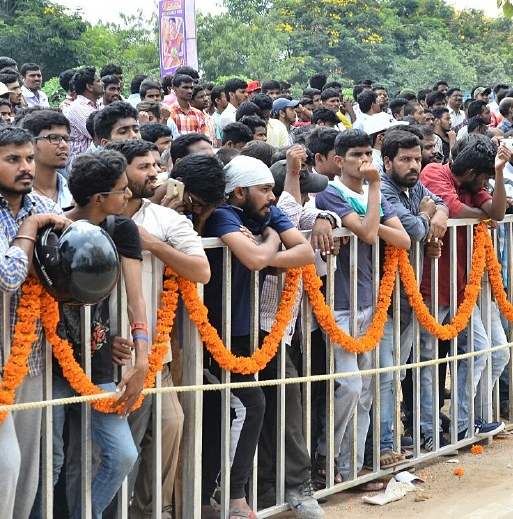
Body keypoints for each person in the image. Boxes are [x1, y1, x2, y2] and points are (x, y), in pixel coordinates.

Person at [0, 125, 71, 517]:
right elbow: (7, 276)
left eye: (27, 159)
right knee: (2, 467)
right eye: (13, 160)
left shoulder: (41, 204)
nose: (25, 167)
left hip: (34, 357)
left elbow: (69, 266)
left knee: (27, 471)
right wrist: (28, 231)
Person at [200, 155, 315, 515]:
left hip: (249, 332)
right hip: (215, 332)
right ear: (238, 192)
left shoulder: (267, 213)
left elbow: (305, 251)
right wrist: (269, 246)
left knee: (260, 403)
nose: (271, 195)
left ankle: (231, 493)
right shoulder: (223, 215)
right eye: (264, 189)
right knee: (239, 408)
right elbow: (252, 258)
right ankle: (225, 495)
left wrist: (265, 248)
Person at [105, 139, 210, 518]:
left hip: (151, 351)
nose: (154, 173)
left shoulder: (164, 219)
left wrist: (149, 243)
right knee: (118, 449)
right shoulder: (92, 214)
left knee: (170, 424)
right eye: (143, 166)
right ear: (120, 174)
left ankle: (152, 511)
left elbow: (201, 270)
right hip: (102, 354)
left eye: (155, 165)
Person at [52, 150, 149, 519]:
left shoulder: (121, 228)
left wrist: (141, 360)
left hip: (99, 362)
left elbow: (135, 299)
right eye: (122, 190)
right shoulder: (53, 228)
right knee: (55, 459)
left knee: (122, 453)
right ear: (98, 199)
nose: (128, 196)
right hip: (53, 361)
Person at [313, 129, 410, 486]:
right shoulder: (330, 192)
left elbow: (402, 238)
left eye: (368, 153)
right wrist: (372, 205)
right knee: (349, 386)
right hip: (337, 301)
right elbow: (369, 233)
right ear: (339, 161)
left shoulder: (371, 195)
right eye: (357, 155)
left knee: (366, 390)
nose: (364, 161)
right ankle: (328, 454)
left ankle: (352, 468)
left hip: (369, 298)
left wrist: (373, 216)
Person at [417, 136, 511, 449]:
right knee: (426, 363)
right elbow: (453, 210)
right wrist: (479, 214)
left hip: (460, 285)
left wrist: (498, 173)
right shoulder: (434, 172)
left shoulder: (474, 182)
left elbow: (497, 212)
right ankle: (426, 431)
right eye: (485, 177)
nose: (485, 183)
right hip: (429, 284)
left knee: (485, 350)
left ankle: (461, 422)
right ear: (471, 173)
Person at [252, 149, 332, 518]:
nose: (307, 194)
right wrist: (269, 252)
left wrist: (324, 216)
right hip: (254, 328)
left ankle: (282, 486)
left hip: (283, 328)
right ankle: (288, 487)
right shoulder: (261, 210)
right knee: (276, 407)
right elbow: (296, 245)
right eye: (264, 190)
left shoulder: (285, 210)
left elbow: (305, 211)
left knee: (282, 404)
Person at [377, 128, 448, 463]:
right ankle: (383, 445)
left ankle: (395, 438)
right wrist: (426, 216)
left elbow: (441, 202)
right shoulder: (383, 190)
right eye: (405, 159)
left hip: (408, 296)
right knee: (385, 376)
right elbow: (414, 229)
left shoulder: (414, 185)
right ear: (387, 160)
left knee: (398, 372)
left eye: (417, 158)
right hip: (381, 299)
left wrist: (439, 214)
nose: (413, 165)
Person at [17, 108, 74, 209]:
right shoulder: (16, 196)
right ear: (31, 144)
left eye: (66, 139)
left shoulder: (74, 191)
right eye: (53, 138)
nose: (63, 145)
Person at [66, 66, 103, 163]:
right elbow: (98, 133)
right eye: (99, 81)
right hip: (82, 163)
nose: (102, 84)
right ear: (89, 87)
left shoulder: (98, 105)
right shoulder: (77, 108)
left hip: (97, 159)